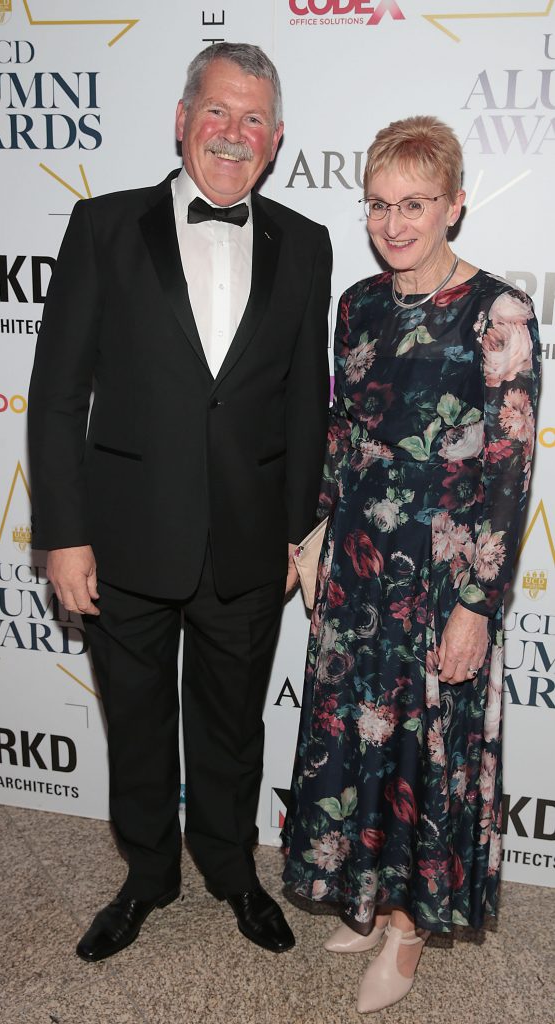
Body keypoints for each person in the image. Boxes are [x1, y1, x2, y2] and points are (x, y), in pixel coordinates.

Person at [28, 42, 332, 962]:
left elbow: (304, 402)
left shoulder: (305, 242)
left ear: (276, 138)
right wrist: (63, 536)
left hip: (250, 543)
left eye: (253, 119)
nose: (233, 134)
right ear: (181, 118)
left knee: (234, 728)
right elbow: (56, 394)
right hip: (123, 541)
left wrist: (299, 531)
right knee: (137, 723)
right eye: (218, 111)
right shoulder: (103, 226)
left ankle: (233, 872)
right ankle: (148, 875)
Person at [282, 115, 540, 1013]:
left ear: (455, 204)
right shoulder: (355, 304)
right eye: (380, 204)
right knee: (358, 738)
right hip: (357, 562)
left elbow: (509, 469)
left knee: (422, 750)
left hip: (439, 577)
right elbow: (341, 433)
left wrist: (477, 604)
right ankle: (366, 895)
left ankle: (408, 929)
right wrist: (309, 533)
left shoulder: (499, 312)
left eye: (416, 204)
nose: (395, 224)